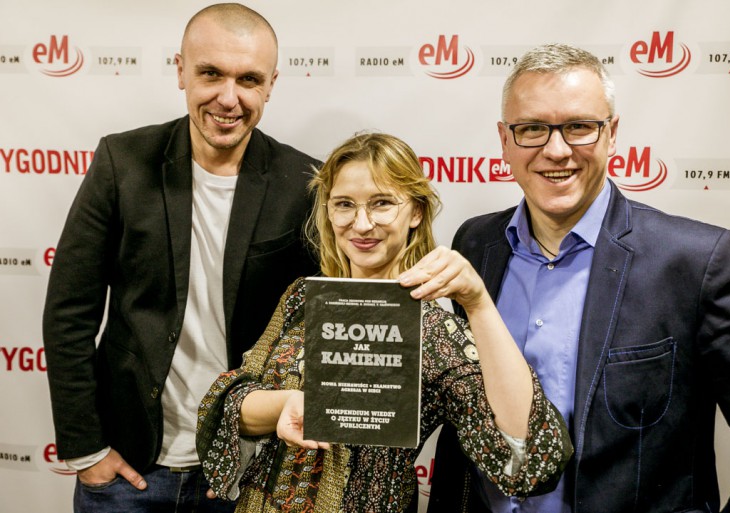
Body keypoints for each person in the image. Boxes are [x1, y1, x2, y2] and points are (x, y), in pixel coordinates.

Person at [427, 43, 730, 513]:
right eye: (532, 129)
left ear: (612, 134)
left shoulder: (693, 262)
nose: (556, 150)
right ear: (505, 141)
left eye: (579, 127)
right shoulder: (476, 243)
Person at [196, 132, 573, 513]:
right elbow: (229, 400)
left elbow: (529, 460)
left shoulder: (434, 331)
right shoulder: (302, 298)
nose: (361, 224)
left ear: (416, 212)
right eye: (345, 204)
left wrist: (478, 304)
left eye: (382, 203)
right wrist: (288, 404)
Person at [42, 4, 320, 512]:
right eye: (211, 73)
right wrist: (86, 450)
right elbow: (69, 311)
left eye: (249, 79)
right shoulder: (122, 163)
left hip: (245, 474)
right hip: (128, 471)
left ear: (271, 85)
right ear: (180, 71)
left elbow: (316, 331)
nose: (228, 98)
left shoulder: (305, 183)